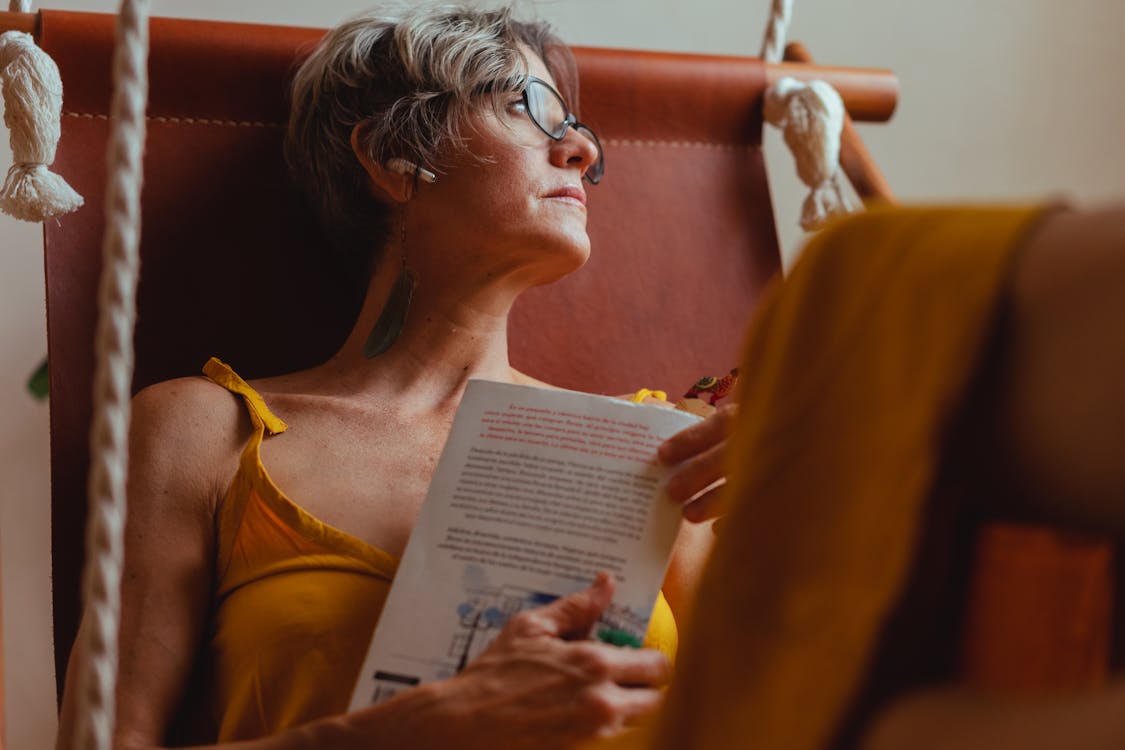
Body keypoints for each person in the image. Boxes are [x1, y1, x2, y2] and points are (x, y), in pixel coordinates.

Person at [54, 6, 730, 750]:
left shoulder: (650, 448)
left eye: (574, 126)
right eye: (526, 107)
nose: (574, 147)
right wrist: (419, 727)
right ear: (392, 158)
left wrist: (799, 500)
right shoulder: (207, 431)